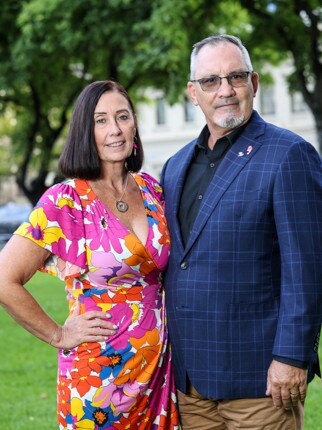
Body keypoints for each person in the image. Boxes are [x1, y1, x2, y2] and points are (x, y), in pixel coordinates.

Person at [161, 34, 322, 430]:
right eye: (211, 81)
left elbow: (308, 269)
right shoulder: (175, 167)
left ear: (254, 83)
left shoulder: (289, 155)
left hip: (261, 383)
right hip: (190, 385)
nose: (225, 90)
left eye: (236, 77)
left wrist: (291, 357)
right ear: (192, 93)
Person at [0, 80, 179, 429]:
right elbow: (5, 279)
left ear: (134, 126)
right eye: (100, 120)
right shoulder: (64, 202)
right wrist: (58, 335)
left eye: (122, 117)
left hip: (157, 374)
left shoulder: (153, 190)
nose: (114, 129)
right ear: (85, 131)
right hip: (97, 380)